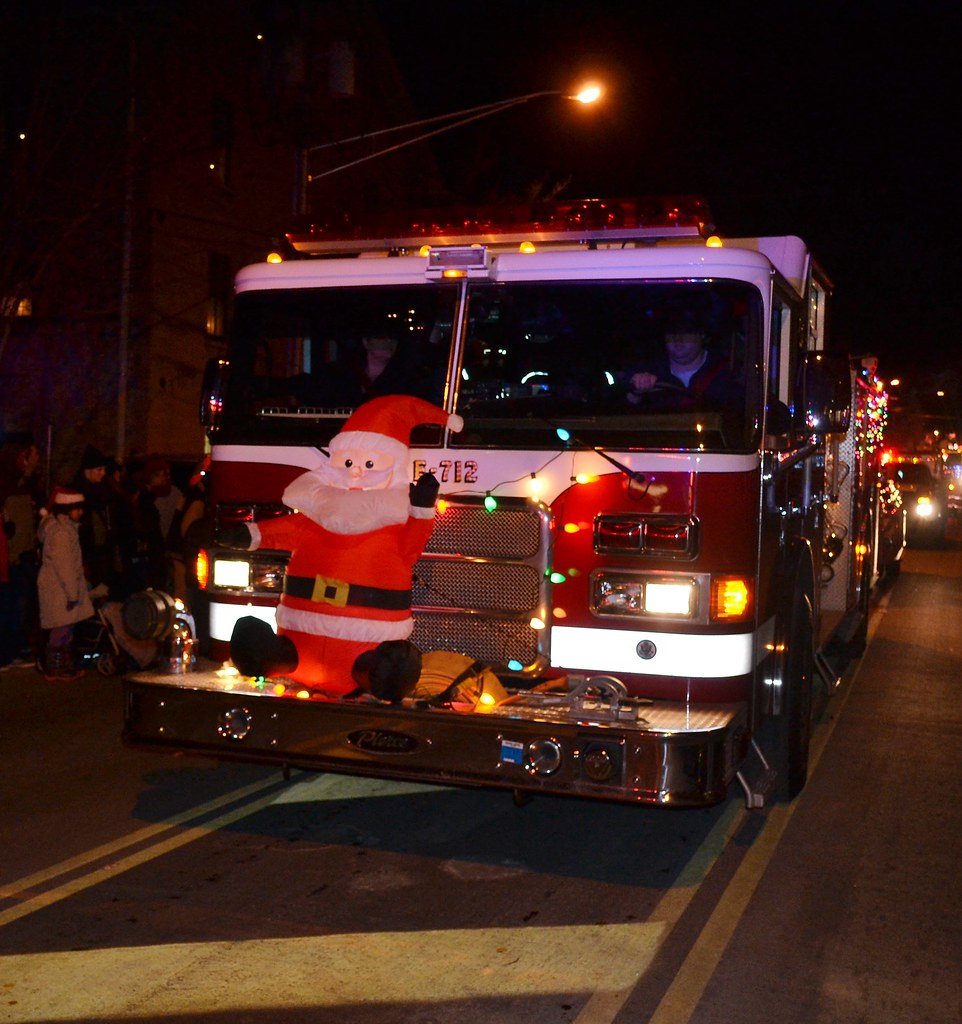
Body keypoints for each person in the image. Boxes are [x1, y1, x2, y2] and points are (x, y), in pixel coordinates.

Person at [625, 312, 740, 409]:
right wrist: (636, 392)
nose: (678, 339)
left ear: (701, 334)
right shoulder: (648, 370)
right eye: (672, 333)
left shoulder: (727, 370)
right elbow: (625, 416)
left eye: (686, 332)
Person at [37, 487, 93, 680]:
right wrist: (72, 593)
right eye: (77, 508)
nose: (81, 512)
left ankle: (62, 664)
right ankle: (56, 666)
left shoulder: (63, 529)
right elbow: (65, 566)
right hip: (60, 589)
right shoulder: (61, 533)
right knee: (62, 627)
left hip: (59, 588)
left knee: (65, 628)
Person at [0, 440, 43, 668]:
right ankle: (10, 650)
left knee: (22, 605)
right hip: (11, 557)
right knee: (13, 605)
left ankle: (18, 647)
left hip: (24, 554)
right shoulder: (7, 487)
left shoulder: (28, 486)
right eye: (30, 457)